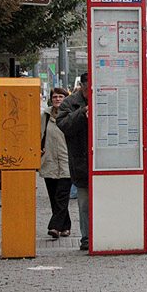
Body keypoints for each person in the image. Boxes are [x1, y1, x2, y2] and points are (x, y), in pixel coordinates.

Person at [57, 72, 90, 251]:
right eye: (87, 88)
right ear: (82, 87)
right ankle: (86, 237)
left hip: (102, 161)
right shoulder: (70, 103)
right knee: (84, 203)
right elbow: (64, 126)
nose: (90, 91)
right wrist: (82, 112)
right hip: (81, 161)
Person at [41, 87, 72, 239]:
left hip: (67, 162)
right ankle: (66, 226)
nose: (58, 99)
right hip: (49, 161)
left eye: (61, 97)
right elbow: (39, 135)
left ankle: (55, 226)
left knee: (62, 196)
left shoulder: (70, 115)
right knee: (54, 197)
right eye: (55, 97)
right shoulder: (45, 116)